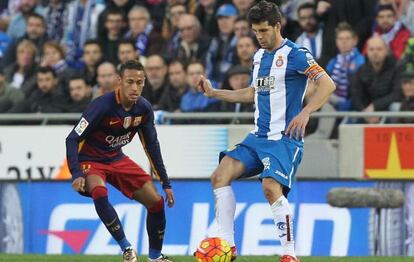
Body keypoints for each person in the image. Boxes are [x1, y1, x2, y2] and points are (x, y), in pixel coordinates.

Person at [197, 1, 335, 262]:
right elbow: (251, 92)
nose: (259, 37)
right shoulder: (259, 57)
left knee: (271, 188)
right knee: (219, 176)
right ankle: (227, 246)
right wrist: (215, 92)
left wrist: (306, 112)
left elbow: (327, 84)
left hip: (283, 139)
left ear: (277, 26)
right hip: (258, 137)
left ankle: (289, 254)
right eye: (255, 31)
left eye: (263, 30)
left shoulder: (297, 54)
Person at [65, 60, 174, 262]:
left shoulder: (144, 109)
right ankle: (127, 249)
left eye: (140, 82)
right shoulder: (101, 106)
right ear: (119, 81)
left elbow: (152, 147)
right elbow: (72, 138)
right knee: (99, 191)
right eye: (130, 82)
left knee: (157, 202)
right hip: (90, 160)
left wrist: (165, 183)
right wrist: (76, 173)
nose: (135, 88)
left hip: (116, 158)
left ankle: (155, 257)